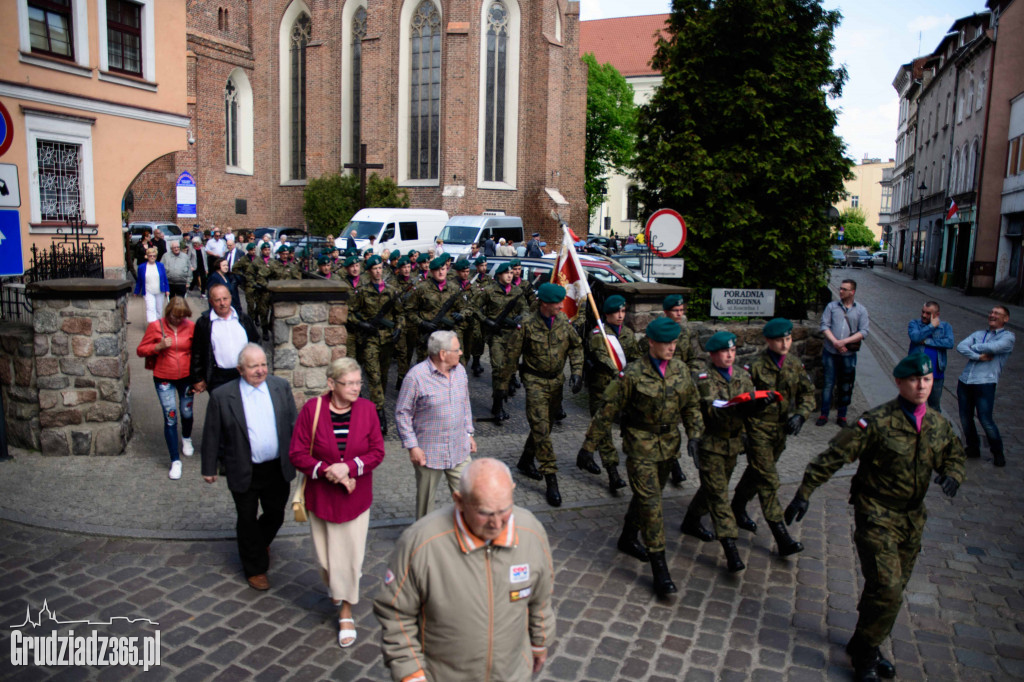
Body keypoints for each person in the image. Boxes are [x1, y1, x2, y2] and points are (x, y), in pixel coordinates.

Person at [785, 354, 965, 681]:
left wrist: (953, 474)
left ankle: (863, 641)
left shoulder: (938, 424)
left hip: (912, 519)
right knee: (888, 588)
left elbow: (954, 454)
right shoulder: (878, 422)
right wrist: (804, 491)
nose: (922, 386)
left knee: (887, 590)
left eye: (926, 380)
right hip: (876, 513)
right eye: (914, 380)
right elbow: (835, 455)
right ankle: (866, 655)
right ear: (899, 383)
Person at [373, 458, 554, 682]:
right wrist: (411, 674)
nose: (497, 524)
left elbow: (541, 597)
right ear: (459, 501)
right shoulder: (421, 543)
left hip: (513, 674)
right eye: (485, 513)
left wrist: (540, 641)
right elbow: (395, 612)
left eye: (504, 510)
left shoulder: (531, 531)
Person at [580, 317, 704, 597]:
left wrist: (695, 435)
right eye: (665, 343)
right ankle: (660, 569)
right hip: (639, 446)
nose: (671, 348)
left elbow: (692, 406)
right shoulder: (632, 374)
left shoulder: (681, 370)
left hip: (669, 447)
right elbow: (606, 410)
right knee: (652, 505)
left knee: (646, 496)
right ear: (651, 343)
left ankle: (626, 538)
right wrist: (588, 447)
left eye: (674, 342)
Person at [289, 357, 385, 647]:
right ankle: (336, 587)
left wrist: (351, 466)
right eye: (350, 383)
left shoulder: (368, 410)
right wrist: (326, 469)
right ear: (331, 384)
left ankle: (346, 613)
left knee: (350, 560)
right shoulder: (312, 410)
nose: (357, 388)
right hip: (322, 497)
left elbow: (377, 451)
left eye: (359, 383)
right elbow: (297, 453)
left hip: (355, 499)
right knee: (325, 560)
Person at [201, 344, 298, 591]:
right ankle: (255, 568)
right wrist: (209, 467)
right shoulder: (223, 396)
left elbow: (293, 423)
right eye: (253, 366)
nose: (260, 370)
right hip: (243, 467)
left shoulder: (280, 387)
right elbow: (212, 433)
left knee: (276, 513)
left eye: (263, 364)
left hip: (277, 467)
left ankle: (258, 542)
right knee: (246, 518)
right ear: (240, 369)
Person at [680, 331, 778, 573]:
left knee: (711, 488)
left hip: (733, 445)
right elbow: (713, 412)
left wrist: (756, 407)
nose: (730, 355)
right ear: (713, 354)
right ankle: (730, 548)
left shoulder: (743, 376)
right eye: (725, 351)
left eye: (733, 350)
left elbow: (746, 414)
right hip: (711, 445)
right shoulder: (705, 379)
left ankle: (691, 521)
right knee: (720, 496)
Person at [730, 318, 815, 556]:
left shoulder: (796, 365)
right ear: (768, 341)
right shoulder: (754, 367)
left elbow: (808, 394)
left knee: (756, 473)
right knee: (768, 480)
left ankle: (737, 506)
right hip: (758, 430)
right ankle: (782, 537)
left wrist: (800, 415)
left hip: (780, 432)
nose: (785, 343)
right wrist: (746, 428)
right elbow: (741, 401)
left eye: (788, 338)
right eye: (779, 339)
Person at [508, 283, 583, 506]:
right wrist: (505, 381)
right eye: (556, 303)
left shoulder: (563, 322)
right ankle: (551, 479)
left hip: (557, 383)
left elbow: (576, 347)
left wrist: (577, 371)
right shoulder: (526, 325)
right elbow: (512, 354)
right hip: (534, 381)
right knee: (541, 428)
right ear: (543, 304)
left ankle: (525, 461)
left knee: (545, 426)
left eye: (561, 302)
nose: (561, 306)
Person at [395, 331, 476, 519]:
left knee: (469, 496)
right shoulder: (416, 377)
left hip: (458, 447)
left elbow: (465, 403)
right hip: (429, 452)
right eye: (457, 349)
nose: (461, 352)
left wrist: (468, 433)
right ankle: (423, 540)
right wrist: (412, 446)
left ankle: (468, 534)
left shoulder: (461, 371)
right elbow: (402, 413)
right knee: (426, 505)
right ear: (442, 354)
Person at [577, 295, 640, 494]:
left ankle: (587, 451)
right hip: (602, 390)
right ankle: (613, 474)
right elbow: (603, 357)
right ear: (607, 314)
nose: (620, 316)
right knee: (604, 432)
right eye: (616, 312)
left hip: (623, 390)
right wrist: (619, 372)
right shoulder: (599, 334)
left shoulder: (628, 334)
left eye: (623, 312)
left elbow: (635, 357)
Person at [640, 294, 702, 486]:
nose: (679, 314)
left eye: (682, 310)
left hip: (678, 384)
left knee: (673, 426)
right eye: (676, 311)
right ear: (666, 312)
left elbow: (693, 358)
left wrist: (691, 374)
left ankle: (672, 463)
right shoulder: (655, 333)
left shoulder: (685, 333)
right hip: (657, 386)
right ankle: (674, 466)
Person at [136, 297, 196, 480]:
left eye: (181, 317)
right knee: (170, 416)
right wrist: (157, 346)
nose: (178, 320)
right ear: (167, 313)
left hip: (186, 377)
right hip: (164, 377)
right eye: (174, 316)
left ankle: (186, 437)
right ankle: (175, 460)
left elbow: (197, 351)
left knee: (187, 412)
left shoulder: (191, 327)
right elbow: (141, 350)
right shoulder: (156, 326)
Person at [349, 255, 403, 432]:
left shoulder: (392, 291)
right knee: (374, 376)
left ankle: (377, 405)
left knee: (384, 376)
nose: (378, 271)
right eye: (374, 269)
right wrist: (362, 324)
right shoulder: (362, 292)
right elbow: (350, 312)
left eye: (380, 268)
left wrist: (398, 329)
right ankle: (379, 414)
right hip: (370, 339)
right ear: (369, 271)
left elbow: (400, 315)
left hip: (387, 340)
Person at [956, 305, 1015, 467]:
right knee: (965, 417)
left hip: (985, 383)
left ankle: (998, 452)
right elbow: (961, 346)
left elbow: (994, 348)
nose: (992, 315)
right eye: (991, 312)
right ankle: (973, 447)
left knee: (985, 419)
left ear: (1006, 319)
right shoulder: (978, 334)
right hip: (965, 380)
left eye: (997, 313)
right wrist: (977, 356)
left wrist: (973, 347)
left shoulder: (1008, 337)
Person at [190, 284, 260, 394]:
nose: (222, 303)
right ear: (211, 301)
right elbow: (197, 352)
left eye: (225, 299)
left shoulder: (243, 319)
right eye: (218, 300)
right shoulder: (204, 323)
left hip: (245, 374)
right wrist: (197, 378)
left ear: (231, 298)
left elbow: (256, 343)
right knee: (223, 409)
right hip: (218, 377)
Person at [479, 263, 528, 421]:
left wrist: (521, 316)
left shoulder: (517, 291)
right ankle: (498, 406)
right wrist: (486, 321)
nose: (510, 275)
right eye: (506, 273)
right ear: (499, 275)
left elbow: (526, 309)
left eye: (511, 273)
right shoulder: (489, 291)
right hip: (497, 335)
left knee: (509, 369)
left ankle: (499, 397)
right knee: (498, 368)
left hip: (513, 335)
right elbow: (474, 307)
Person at [817, 279, 869, 427]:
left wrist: (844, 342)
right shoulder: (831, 307)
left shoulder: (861, 310)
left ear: (852, 292)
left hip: (848, 354)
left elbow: (864, 331)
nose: (840, 291)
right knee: (828, 383)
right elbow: (824, 325)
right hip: (830, 351)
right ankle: (824, 414)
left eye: (844, 289)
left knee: (845, 385)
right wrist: (835, 342)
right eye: (840, 288)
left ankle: (842, 415)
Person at [906, 301, 954, 412]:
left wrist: (928, 341)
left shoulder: (945, 327)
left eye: (928, 313)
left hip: (936, 374)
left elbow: (949, 343)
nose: (924, 315)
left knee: (934, 407)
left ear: (936, 315)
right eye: (923, 312)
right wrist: (931, 326)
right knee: (913, 405)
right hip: (916, 372)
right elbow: (916, 337)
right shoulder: (914, 324)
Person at [134, 246, 170, 323]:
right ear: (147, 256)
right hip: (148, 291)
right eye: (150, 256)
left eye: (154, 256)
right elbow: (139, 281)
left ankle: (158, 323)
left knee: (159, 309)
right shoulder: (142, 267)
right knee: (150, 308)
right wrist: (136, 291)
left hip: (159, 291)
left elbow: (164, 278)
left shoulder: (160, 266)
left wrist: (167, 289)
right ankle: (152, 324)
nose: (152, 257)